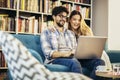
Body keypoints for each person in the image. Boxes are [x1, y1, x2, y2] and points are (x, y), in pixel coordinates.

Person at [68, 10, 112, 80]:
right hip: (75, 58)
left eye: (79, 20)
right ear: (70, 20)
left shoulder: (85, 30)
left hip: (86, 58)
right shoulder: (66, 32)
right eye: (74, 19)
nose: (77, 22)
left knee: (100, 62)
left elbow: (92, 45)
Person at [40, 6, 82, 73]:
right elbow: (48, 53)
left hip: (72, 57)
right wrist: (65, 54)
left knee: (98, 61)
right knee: (74, 62)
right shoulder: (46, 32)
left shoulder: (71, 33)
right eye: (60, 16)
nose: (63, 19)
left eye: (65, 17)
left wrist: (75, 53)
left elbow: (76, 49)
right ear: (54, 17)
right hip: (56, 59)